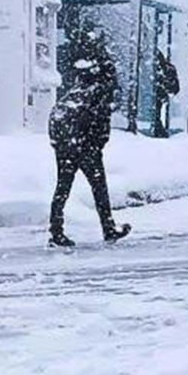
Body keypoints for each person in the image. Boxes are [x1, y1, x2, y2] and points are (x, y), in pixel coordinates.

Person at [47, 31, 130, 247]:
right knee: (99, 187)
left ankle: (56, 230)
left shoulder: (79, 86)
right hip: (86, 147)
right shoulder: (100, 90)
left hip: (67, 145)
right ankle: (108, 227)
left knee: (63, 187)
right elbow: (98, 121)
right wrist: (96, 143)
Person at [152, 49, 180, 138]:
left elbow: (175, 88)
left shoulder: (165, 68)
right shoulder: (168, 68)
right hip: (159, 96)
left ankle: (158, 130)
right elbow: (175, 88)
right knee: (156, 114)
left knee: (156, 113)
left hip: (158, 96)